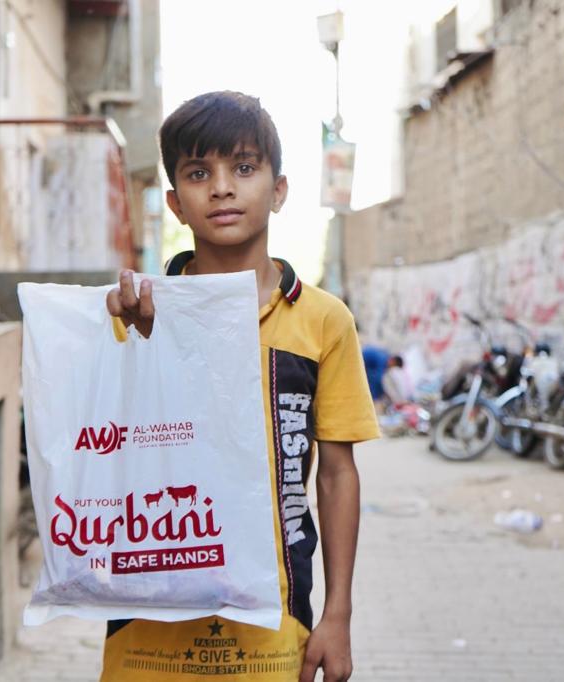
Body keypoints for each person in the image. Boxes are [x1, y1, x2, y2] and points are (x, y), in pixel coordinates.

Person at [103, 91, 380, 682]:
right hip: (149, 619)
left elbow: (335, 475)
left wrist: (339, 615)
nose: (222, 188)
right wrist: (130, 344)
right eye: (199, 173)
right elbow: (99, 451)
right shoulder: (135, 314)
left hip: (274, 620)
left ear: (278, 190)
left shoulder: (323, 320)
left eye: (244, 168)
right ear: (176, 203)